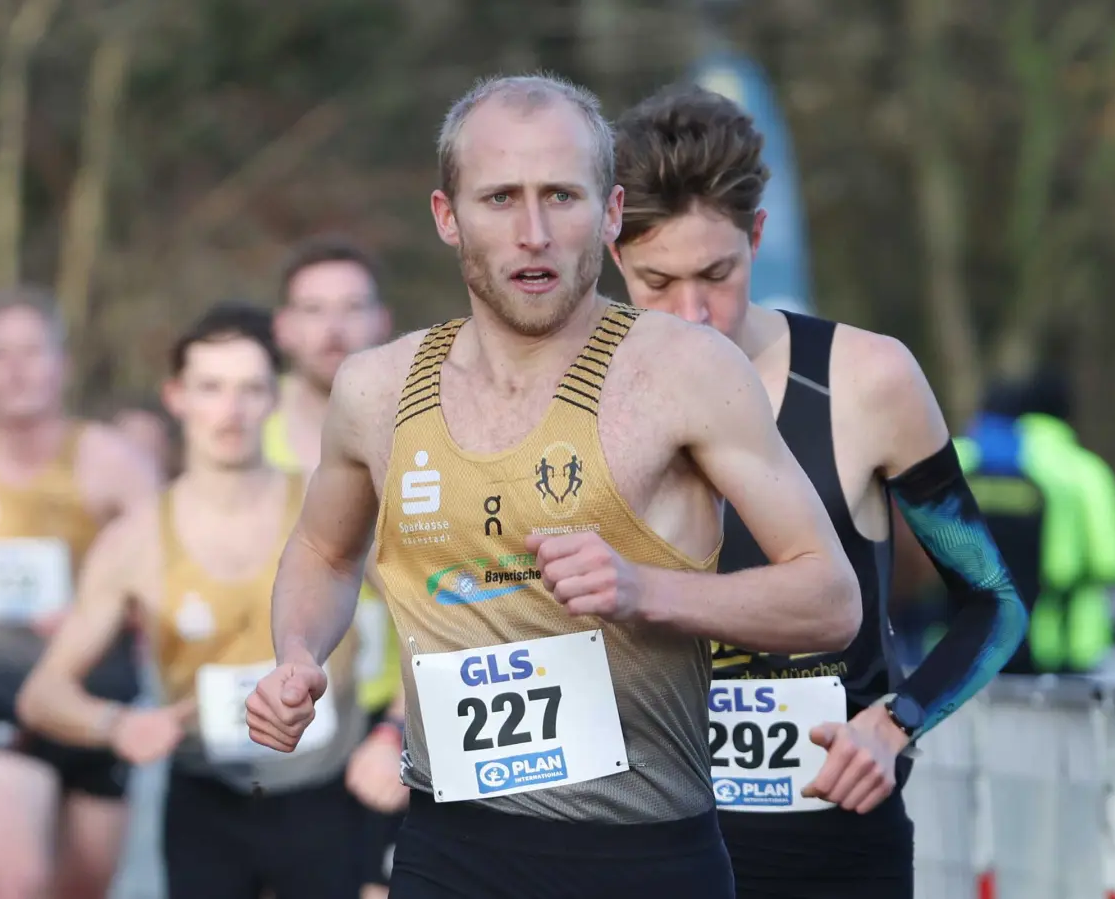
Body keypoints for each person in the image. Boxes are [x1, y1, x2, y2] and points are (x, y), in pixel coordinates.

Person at [246, 74, 861, 899]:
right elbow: (323, 550)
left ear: (609, 214)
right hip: (446, 848)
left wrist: (648, 590)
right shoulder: (376, 390)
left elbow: (830, 599)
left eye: (561, 197)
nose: (533, 233)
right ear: (447, 216)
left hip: (643, 856)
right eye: (500, 198)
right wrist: (295, 656)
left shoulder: (684, 370)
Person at [609, 85, 1025, 899]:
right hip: (646, 845)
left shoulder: (867, 380)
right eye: (657, 281)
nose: (693, 314)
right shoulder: (579, 398)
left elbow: (993, 601)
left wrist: (897, 723)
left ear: (758, 238)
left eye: (717, 275)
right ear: (613, 255)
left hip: (828, 845)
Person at [18, 302, 372, 899]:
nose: (230, 412)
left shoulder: (329, 506)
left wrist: (394, 735)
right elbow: (41, 695)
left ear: (274, 399)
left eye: (250, 389)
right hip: (205, 800)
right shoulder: (134, 541)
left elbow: (433, 612)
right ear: (176, 396)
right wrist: (116, 725)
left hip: (329, 792)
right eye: (210, 388)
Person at [0, 288, 160, 899]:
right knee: (17, 884)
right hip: (3, 690)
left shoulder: (111, 460)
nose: (16, 368)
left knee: (83, 887)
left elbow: (165, 579)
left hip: (99, 701)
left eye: (31, 351)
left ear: (62, 364)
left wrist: (95, 613)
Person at [263, 236, 408, 896]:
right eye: (314, 309)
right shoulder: (240, 432)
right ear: (282, 327)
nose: (333, 327)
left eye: (352, 307)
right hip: (282, 703)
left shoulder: (416, 432)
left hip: (383, 706)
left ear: (382, 320)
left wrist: (401, 723)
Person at [955, 370, 1115, 674]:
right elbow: (1114, 561)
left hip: (969, 635)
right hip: (1065, 639)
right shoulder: (1085, 470)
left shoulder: (973, 458)